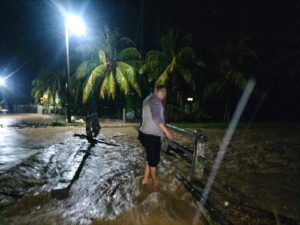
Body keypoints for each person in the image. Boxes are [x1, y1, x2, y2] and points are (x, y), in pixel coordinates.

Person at [139, 84, 173, 188]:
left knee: (150, 156)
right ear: (161, 92)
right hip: (152, 136)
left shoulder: (147, 98)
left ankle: (145, 179)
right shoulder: (156, 101)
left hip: (143, 134)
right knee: (153, 161)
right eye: (165, 93)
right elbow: (157, 118)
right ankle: (154, 182)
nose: (165, 96)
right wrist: (167, 133)